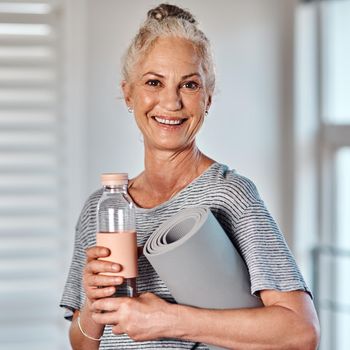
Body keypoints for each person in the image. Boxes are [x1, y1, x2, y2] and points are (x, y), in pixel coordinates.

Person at [60, 3, 320, 350]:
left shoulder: (230, 195)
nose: (171, 102)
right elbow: (82, 344)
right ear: (128, 93)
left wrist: (168, 319)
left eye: (189, 85)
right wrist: (93, 305)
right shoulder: (103, 207)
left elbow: (301, 333)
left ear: (208, 97)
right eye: (154, 82)